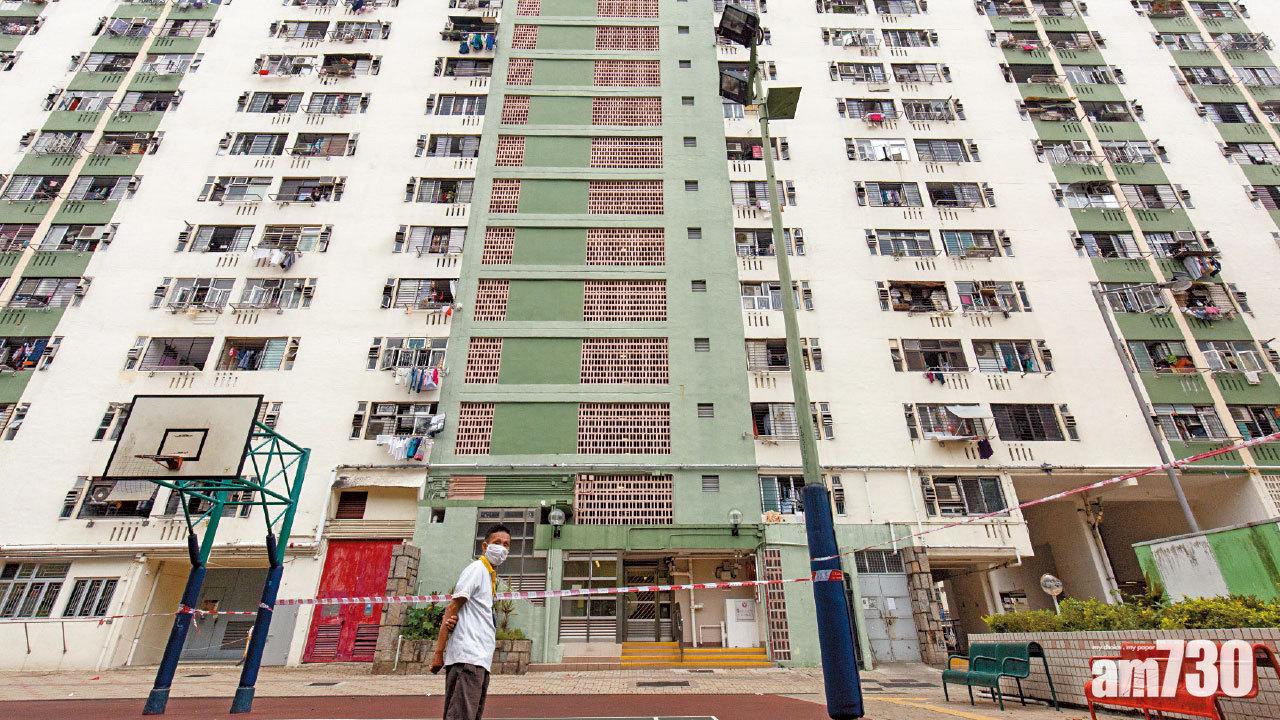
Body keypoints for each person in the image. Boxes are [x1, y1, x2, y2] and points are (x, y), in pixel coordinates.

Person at [430, 524, 511, 720]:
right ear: (485, 546)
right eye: (497, 542)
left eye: (506, 544)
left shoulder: (489, 576)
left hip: (479, 660)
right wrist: (438, 654)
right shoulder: (476, 570)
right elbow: (452, 607)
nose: (502, 548)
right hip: (468, 659)